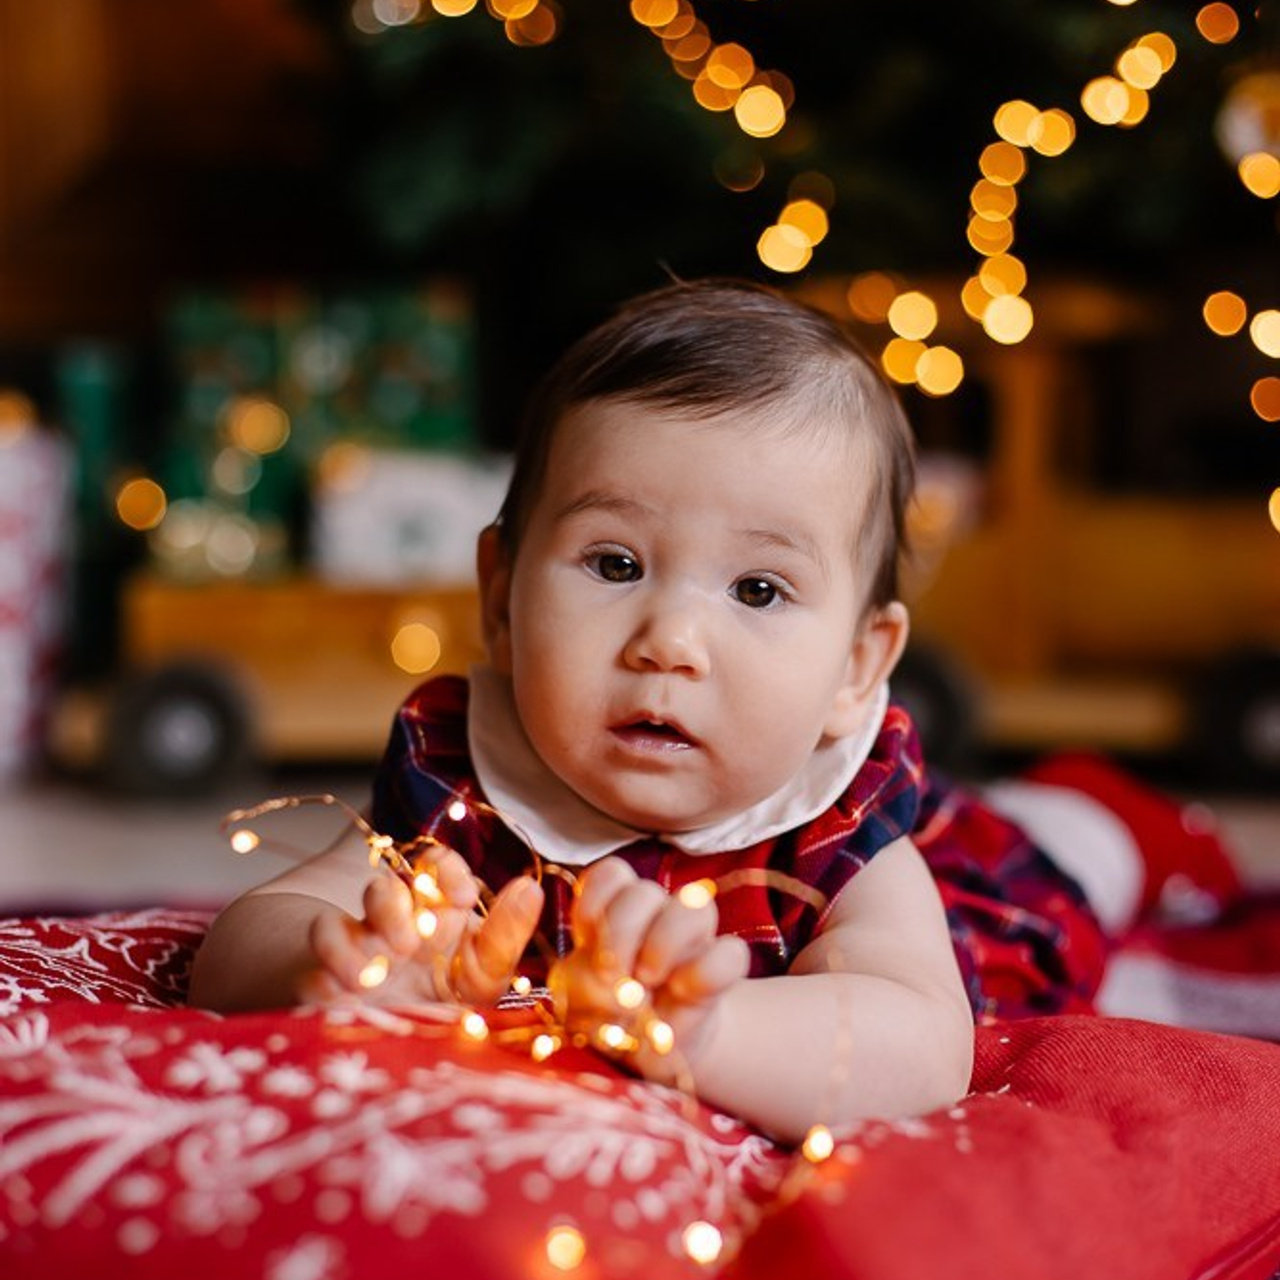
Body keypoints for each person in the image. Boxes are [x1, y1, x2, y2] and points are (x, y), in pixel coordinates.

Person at [190, 278, 1119, 1143]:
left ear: (855, 667)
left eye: (757, 589)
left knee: (1084, 841)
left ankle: (1109, 820)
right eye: (615, 564)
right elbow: (249, 933)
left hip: (988, 873)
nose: (669, 640)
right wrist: (338, 965)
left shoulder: (840, 837)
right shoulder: (469, 791)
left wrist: (702, 1032)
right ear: (502, 601)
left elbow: (919, 1048)